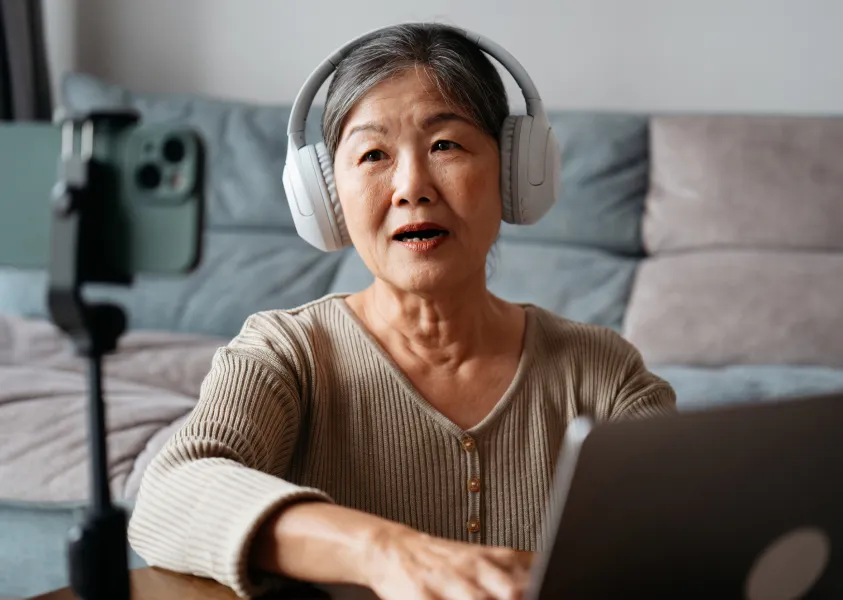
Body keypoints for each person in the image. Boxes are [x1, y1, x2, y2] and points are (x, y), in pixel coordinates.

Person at [127, 22, 676, 600]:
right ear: (326, 197)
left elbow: (696, 539)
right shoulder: (285, 353)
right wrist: (389, 554)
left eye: (446, 145)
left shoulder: (604, 374)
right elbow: (173, 495)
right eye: (372, 155)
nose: (411, 186)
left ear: (515, 172)